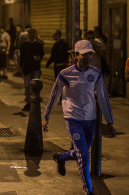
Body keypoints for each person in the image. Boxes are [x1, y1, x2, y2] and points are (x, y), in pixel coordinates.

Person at [42, 40, 116, 195]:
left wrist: (110, 122)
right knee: (83, 154)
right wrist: (46, 116)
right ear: (75, 55)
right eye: (83, 54)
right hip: (73, 118)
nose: (87, 57)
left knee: (81, 153)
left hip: (90, 119)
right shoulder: (65, 74)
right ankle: (88, 190)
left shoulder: (96, 74)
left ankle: (61, 158)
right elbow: (54, 95)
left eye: (89, 54)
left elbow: (103, 97)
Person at [20, 28, 44, 111]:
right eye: (30, 33)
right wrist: (20, 67)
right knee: (27, 86)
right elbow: (22, 57)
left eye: (34, 33)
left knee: (35, 86)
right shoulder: (24, 45)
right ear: (28, 34)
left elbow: (42, 54)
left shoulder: (39, 45)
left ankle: (34, 102)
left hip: (36, 68)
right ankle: (28, 102)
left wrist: (39, 57)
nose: (32, 34)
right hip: (27, 68)